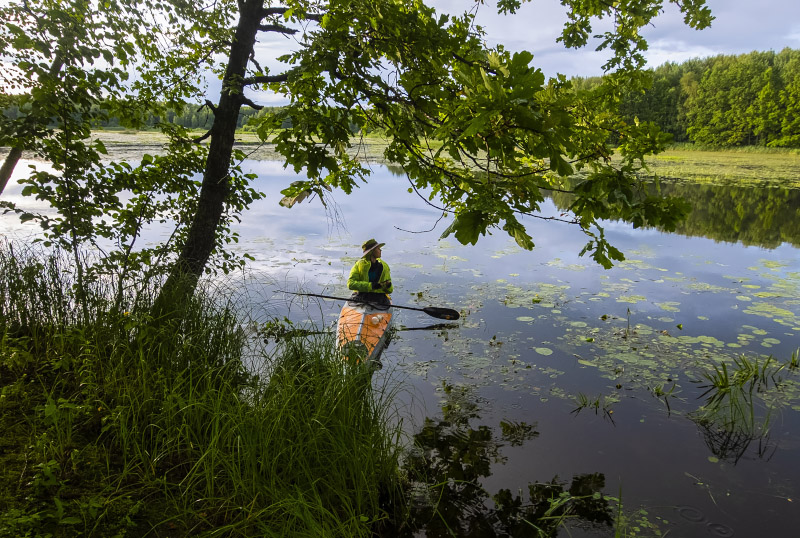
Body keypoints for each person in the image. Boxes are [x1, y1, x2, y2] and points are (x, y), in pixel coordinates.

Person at [348, 238, 393, 306]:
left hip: (379, 299)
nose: (380, 250)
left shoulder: (384, 266)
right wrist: (371, 286)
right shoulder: (358, 264)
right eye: (378, 248)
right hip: (361, 296)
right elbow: (350, 284)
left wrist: (388, 286)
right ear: (371, 251)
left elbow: (390, 290)